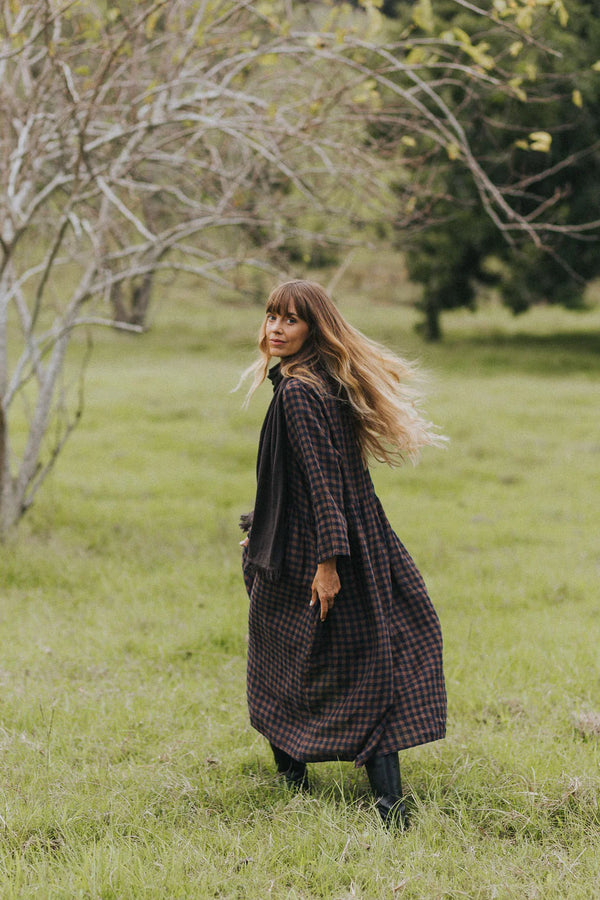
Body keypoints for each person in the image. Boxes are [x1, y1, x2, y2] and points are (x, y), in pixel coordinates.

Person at [239, 280, 446, 829]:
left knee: (302, 659)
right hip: (339, 535)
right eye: (271, 317)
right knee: (349, 657)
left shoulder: (301, 392)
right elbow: (291, 477)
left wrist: (327, 563)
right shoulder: (312, 380)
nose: (276, 329)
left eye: (291, 320)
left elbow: (324, 481)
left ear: (314, 328)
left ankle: (383, 804)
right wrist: (261, 529)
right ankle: (312, 786)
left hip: (324, 547)